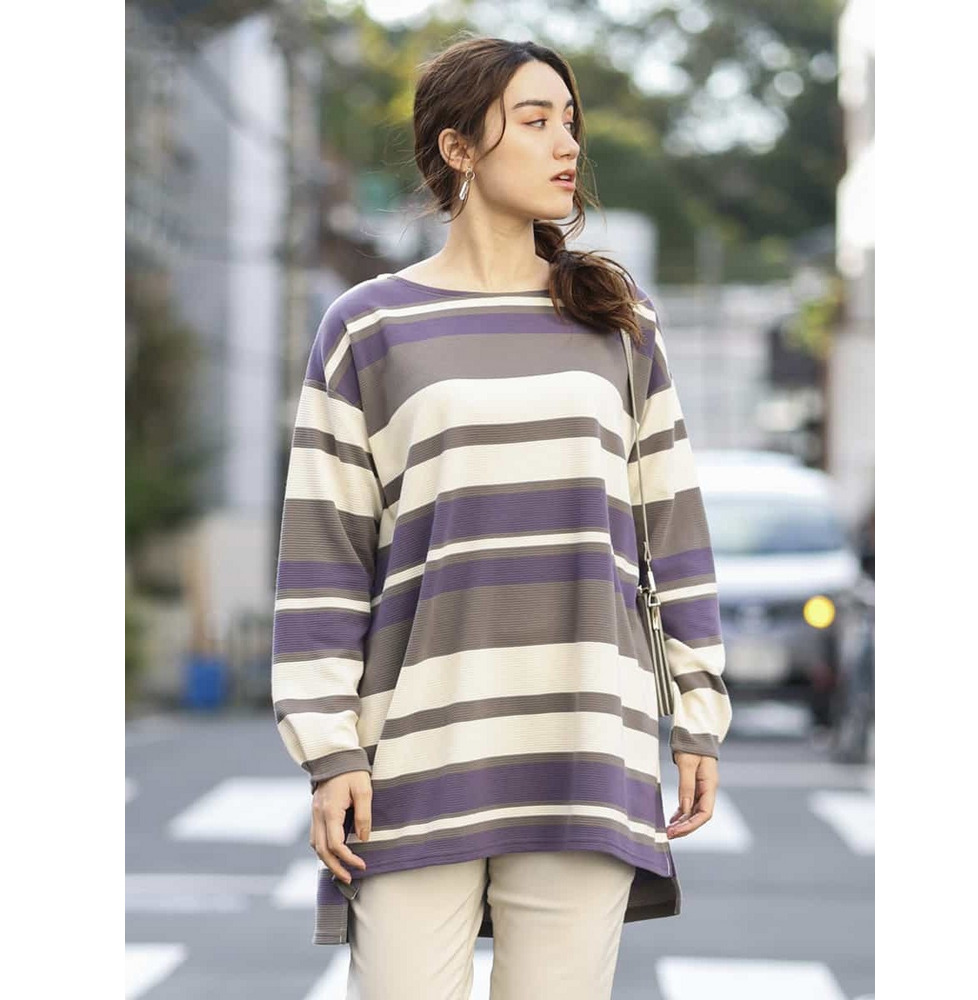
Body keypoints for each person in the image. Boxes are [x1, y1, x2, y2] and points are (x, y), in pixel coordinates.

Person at [271, 33, 733, 1000]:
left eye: (570, 121)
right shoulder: (368, 326)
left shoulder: (617, 322)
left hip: (585, 738)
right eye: (534, 121)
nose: (567, 144)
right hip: (415, 749)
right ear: (459, 149)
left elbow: (673, 531)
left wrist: (697, 715)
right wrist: (328, 749)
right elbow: (325, 554)